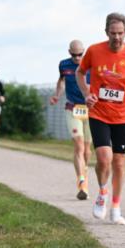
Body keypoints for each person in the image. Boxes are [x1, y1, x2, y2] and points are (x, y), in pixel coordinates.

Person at [77, 12, 125, 225]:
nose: (116, 37)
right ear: (106, 31)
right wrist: (86, 93)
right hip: (99, 112)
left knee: (119, 161)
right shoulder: (94, 51)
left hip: (123, 116)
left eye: (120, 33)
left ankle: (116, 207)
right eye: (113, 33)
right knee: (103, 157)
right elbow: (80, 73)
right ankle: (102, 192)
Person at [51, 40, 93, 199]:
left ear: (84, 52)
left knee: (87, 151)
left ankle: (85, 173)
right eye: (74, 55)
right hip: (73, 109)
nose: (77, 58)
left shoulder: (92, 65)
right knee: (78, 146)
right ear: (69, 52)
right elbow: (61, 81)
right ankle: (81, 182)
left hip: (90, 110)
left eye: (80, 54)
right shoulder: (64, 65)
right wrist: (57, 95)